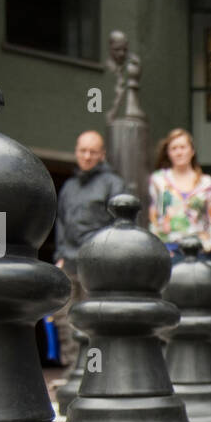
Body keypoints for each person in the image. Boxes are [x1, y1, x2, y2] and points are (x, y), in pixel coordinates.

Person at [54, 130, 126, 366]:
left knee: (96, 319)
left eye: (92, 152)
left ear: (102, 154)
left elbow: (119, 224)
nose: (86, 156)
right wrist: (60, 256)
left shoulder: (113, 183)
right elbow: (61, 222)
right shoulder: (69, 187)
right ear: (76, 151)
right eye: (83, 151)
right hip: (68, 262)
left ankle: (96, 374)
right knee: (65, 319)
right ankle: (71, 373)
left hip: (97, 264)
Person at [148, 128, 211, 256]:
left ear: (192, 151)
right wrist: (158, 248)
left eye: (183, 147)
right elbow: (154, 217)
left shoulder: (206, 183)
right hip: (168, 249)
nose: (179, 152)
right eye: (174, 148)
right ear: (168, 153)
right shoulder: (158, 180)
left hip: (199, 248)